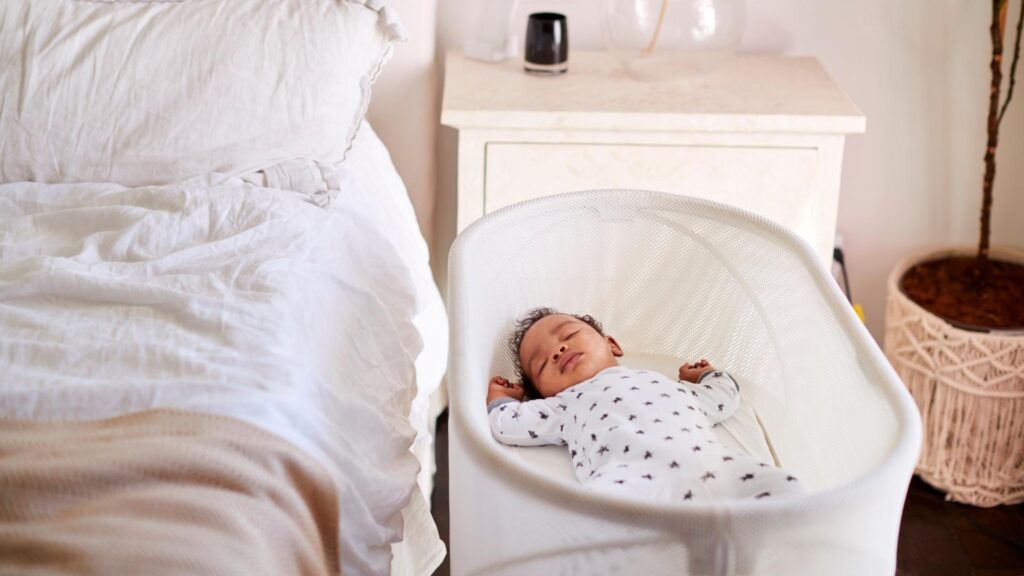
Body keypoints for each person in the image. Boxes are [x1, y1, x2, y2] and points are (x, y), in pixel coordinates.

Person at [486, 307, 804, 502]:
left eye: (568, 334)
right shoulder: (564, 405)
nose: (558, 350)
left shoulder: (666, 383)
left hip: (712, 466)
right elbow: (508, 425)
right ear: (544, 394)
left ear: (612, 344)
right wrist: (502, 400)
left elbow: (723, 397)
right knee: (596, 522)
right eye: (542, 364)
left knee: (786, 488)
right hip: (629, 481)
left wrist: (706, 374)